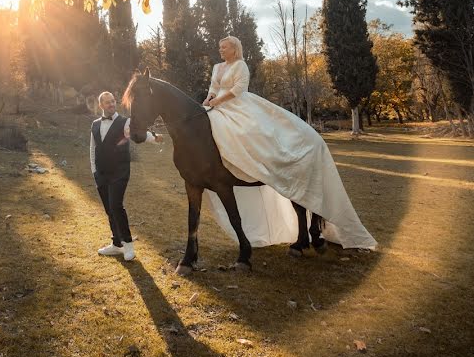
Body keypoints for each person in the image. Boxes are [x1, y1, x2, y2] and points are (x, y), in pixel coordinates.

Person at [201, 36, 377, 250]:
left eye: (224, 46)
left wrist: (218, 101)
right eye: (219, 46)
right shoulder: (218, 67)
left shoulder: (241, 65)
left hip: (238, 105)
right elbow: (213, 86)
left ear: (234, 49)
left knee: (252, 130)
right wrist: (208, 99)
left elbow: (239, 89)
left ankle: (265, 161)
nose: (220, 50)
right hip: (217, 106)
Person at [90, 91, 163, 261]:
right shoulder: (94, 124)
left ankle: (128, 245)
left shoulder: (125, 122)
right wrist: (94, 170)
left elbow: (139, 135)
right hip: (101, 173)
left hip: (119, 172)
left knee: (116, 206)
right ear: (101, 105)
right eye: (107, 102)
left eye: (113, 101)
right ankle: (116, 245)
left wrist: (155, 138)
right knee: (109, 209)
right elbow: (93, 149)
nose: (111, 104)